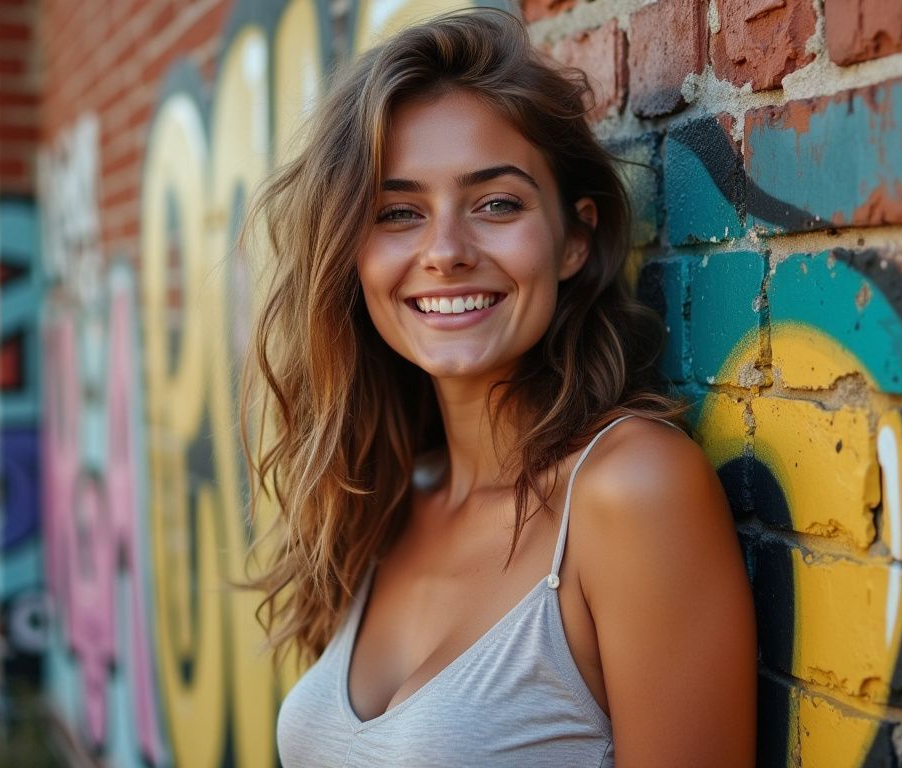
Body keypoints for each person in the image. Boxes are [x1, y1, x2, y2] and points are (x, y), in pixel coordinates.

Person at [246, 9, 755, 766]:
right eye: (398, 212)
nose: (445, 252)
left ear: (575, 238)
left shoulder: (632, 491)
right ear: (351, 253)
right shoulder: (385, 497)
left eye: (497, 204)